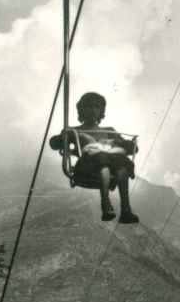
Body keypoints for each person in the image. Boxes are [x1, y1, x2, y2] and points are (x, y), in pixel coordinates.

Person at [51, 92, 139, 223]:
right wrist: (63, 137)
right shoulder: (75, 131)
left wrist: (119, 142)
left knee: (122, 165)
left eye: (96, 107)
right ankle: (105, 203)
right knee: (102, 160)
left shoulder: (109, 131)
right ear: (82, 110)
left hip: (109, 164)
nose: (93, 110)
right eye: (89, 106)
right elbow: (54, 144)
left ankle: (126, 210)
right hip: (88, 166)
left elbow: (132, 148)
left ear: (101, 111)